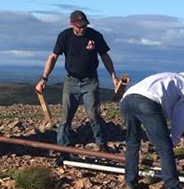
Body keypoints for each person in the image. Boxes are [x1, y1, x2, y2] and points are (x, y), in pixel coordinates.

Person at [36, 10, 121, 148]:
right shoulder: (64, 36)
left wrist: (114, 77)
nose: (82, 29)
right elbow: (53, 57)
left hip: (90, 81)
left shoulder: (95, 36)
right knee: (65, 118)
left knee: (94, 115)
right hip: (71, 81)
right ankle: (63, 148)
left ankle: (102, 145)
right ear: (72, 24)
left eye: (84, 26)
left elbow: (105, 56)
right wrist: (44, 78)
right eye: (79, 26)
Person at [119, 71, 184, 189]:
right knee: (165, 148)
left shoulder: (170, 78)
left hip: (126, 100)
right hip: (147, 101)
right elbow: (181, 116)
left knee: (132, 143)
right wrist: (173, 140)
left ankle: (130, 182)